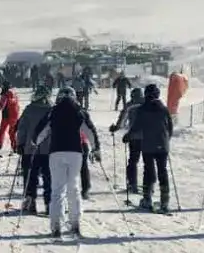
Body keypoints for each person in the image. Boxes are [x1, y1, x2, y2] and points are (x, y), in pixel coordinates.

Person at [31, 86, 100, 237]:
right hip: (75, 152)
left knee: (57, 190)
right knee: (73, 188)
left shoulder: (52, 111)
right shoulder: (79, 110)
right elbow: (90, 130)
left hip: (56, 152)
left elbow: (40, 131)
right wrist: (96, 148)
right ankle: (75, 223)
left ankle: (56, 226)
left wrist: (36, 142)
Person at [126, 84, 174, 212]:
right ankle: (165, 201)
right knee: (162, 171)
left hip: (148, 145)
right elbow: (170, 126)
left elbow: (136, 127)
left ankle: (147, 199)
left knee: (149, 171)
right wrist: (166, 139)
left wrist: (128, 136)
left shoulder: (142, 109)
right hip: (163, 145)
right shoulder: (164, 109)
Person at [15, 85, 53, 213]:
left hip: (30, 149)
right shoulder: (52, 110)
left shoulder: (29, 109)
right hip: (48, 150)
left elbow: (22, 128)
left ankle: (30, 200)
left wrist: (20, 143)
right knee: (49, 177)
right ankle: (50, 203)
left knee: (30, 176)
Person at [110, 91, 145, 194]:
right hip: (148, 137)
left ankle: (132, 184)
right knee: (149, 162)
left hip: (134, 136)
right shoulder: (147, 104)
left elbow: (122, 120)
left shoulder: (130, 105)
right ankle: (148, 186)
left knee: (133, 161)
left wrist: (116, 128)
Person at [0, 84, 21, 156]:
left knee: (2, 132)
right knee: (12, 132)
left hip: (6, 116)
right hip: (15, 115)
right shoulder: (15, 95)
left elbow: (1, 106)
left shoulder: (5, 95)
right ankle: (15, 147)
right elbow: (17, 105)